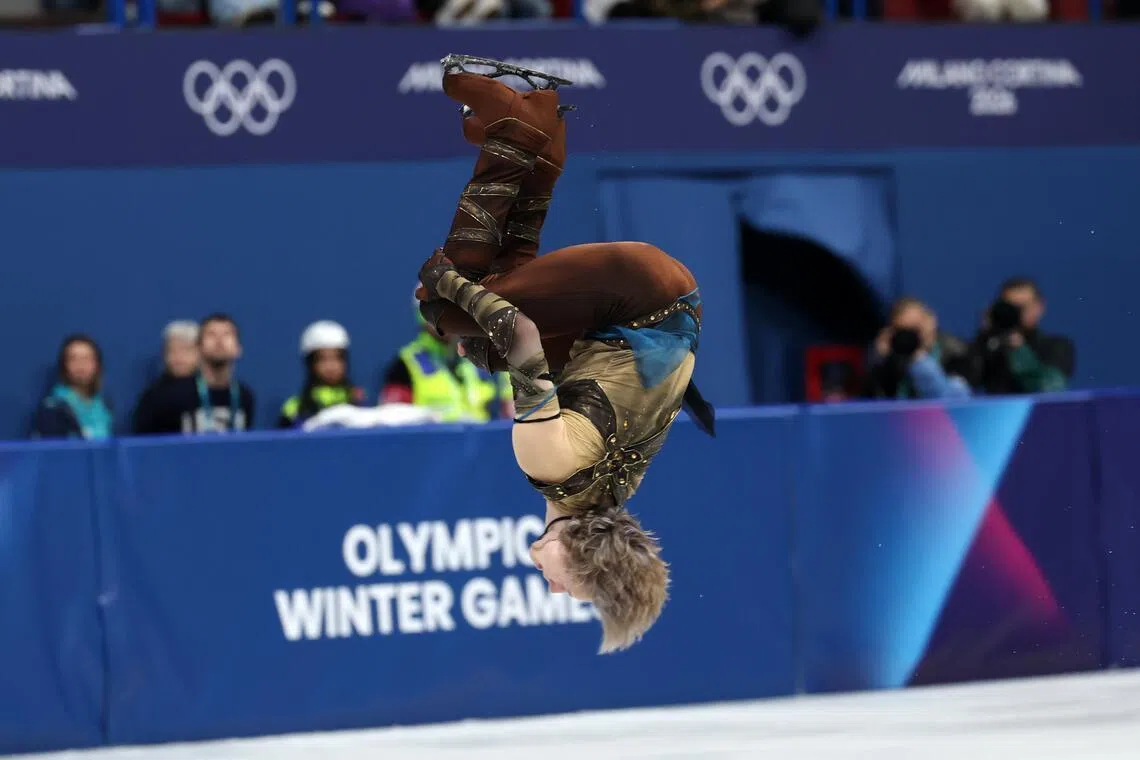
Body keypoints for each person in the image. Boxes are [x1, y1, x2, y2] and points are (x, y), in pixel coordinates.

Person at [416, 55, 714, 654]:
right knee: (444, 311)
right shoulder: (550, 465)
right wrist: (445, 284)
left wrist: (489, 342)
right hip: (637, 293)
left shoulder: (609, 491)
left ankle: (542, 135)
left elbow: (560, 364)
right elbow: (523, 332)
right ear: (581, 556)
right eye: (575, 590)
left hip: (664, 306)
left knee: (490, 315)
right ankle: (512, 134)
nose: (555, 590)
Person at [381, 300, 513, 423]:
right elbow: (395, 424)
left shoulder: (479, 358)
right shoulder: (404, 365)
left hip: (481, 438)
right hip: (434, 439)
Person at [133, 313, 256, 435]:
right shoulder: (171, 396)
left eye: (227, 335)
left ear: (238, 348)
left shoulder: (244, 396)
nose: (219, 341)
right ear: (198, 348)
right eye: (211, 335)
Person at [970, 278, 1075, 395]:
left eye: (1022, 307)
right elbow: (967, 381)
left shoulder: (1057, 346)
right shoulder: (991, 345)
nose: (1017, 313)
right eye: (1010, 308)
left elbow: (1051, 386)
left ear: (1039, 307)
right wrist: (984, 336)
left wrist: (1018, 350)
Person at [865, 297, 973, 400]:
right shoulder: (891, 359)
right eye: (904, 333)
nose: (911, 338)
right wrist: (879, 361)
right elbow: (875, 401)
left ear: (931, 321)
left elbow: (955, 400)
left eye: (916, 330)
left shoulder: (956, 353)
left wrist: (920, 362)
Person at [278, 320, 367, 429]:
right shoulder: (295, 407)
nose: (331, 366)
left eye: (337, 358)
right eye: (322, 359)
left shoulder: (357, 399)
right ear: (310, 363)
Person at [32, 334, 114, 440]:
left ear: (97, 364)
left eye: (87, 359)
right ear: (64, 365)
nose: (81, 365)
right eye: (74, 359)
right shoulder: (53, 407)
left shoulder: (104, 404)